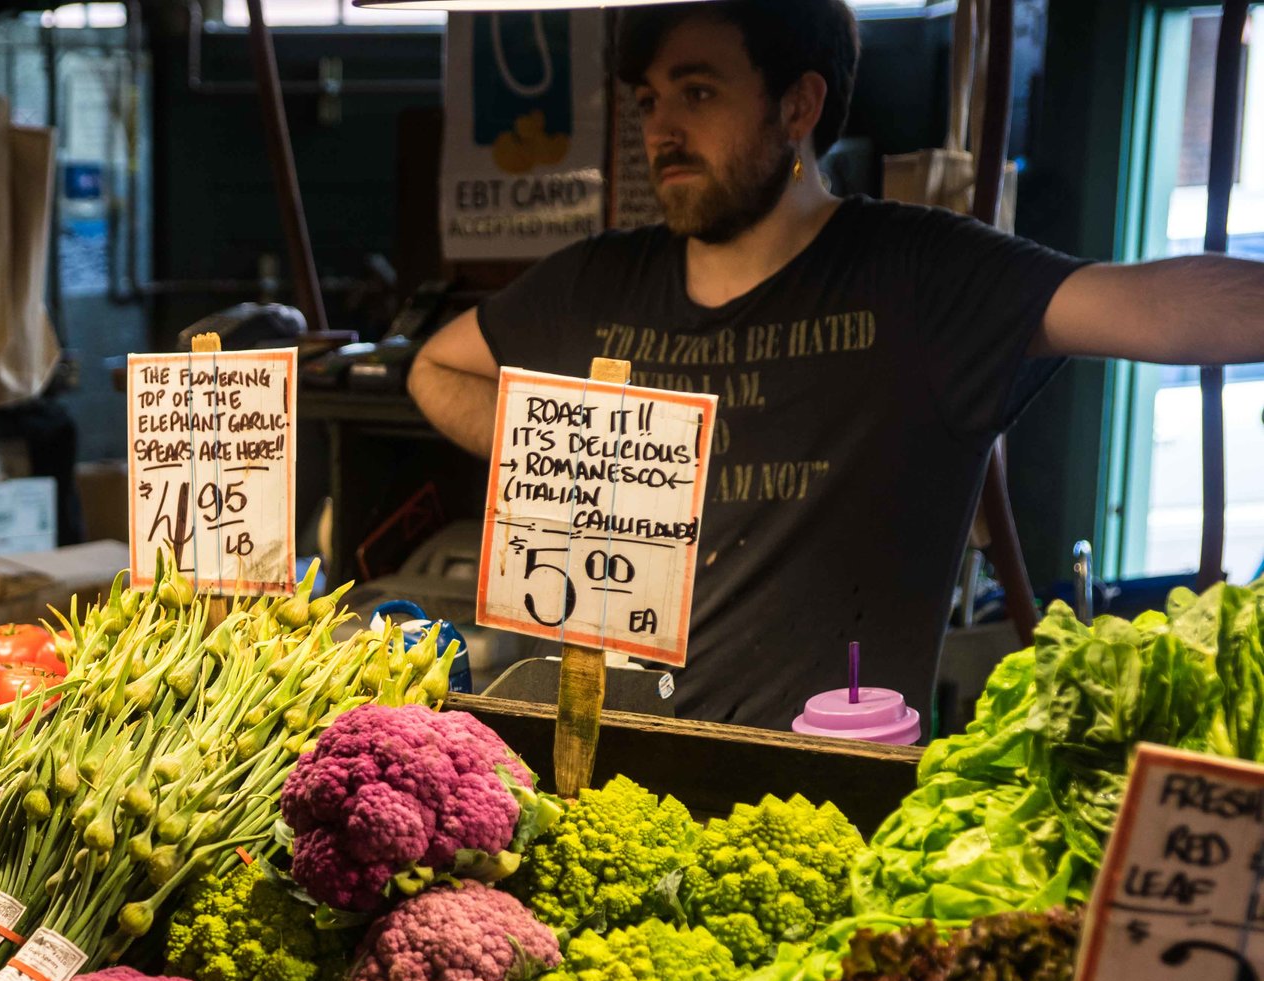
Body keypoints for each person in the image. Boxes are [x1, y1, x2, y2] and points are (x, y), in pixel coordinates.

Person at [408, 0, 1264, 731]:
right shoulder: (596, 280)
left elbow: (1148, 303)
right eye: (647, 101)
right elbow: (435, 370)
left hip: (831, 800)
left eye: (698, 92)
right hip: (599, 780)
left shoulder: (915, 275)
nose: (660, 129)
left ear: (798, 105)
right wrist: (565, 461)